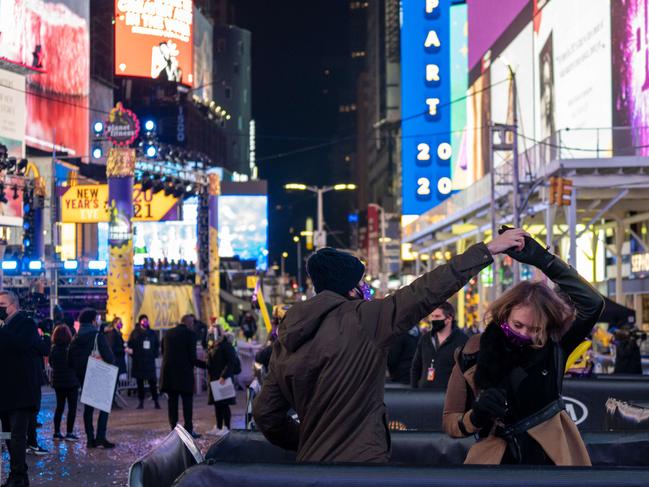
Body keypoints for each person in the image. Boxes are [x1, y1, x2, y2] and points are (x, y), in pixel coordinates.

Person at [253, 229, 526, 463]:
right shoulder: (365, 319)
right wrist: (488, 249)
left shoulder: (288, 338)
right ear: (351, 290)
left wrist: (308, 439)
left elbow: (265, 414)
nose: (369, 293)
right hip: (361, 464)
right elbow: (426, 291)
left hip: (310, 465)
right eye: (365, 287)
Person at [442, 231, 605, 465]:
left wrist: (544, 260)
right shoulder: (470, 353)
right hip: (495, 462)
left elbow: (593, 303)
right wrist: (476, 416)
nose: (524, 334)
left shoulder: (555, 343)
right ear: (503, 314)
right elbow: (450, 421)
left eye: (535, 329)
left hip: (553, 458)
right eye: (518, 325)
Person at [0, 291, 41, 487]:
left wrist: (2, 329)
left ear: (13, 306)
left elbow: (21, 345)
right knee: (8, 436)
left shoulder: (26, 324)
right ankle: (18, 474)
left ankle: (18, 476)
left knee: (17, 436)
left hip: (21, 393)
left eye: (2, 304)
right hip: (5, 393)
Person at [68, 308, 116, 449]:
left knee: (88, 409)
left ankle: (90, 439)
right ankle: (100, 437)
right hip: (98, 374)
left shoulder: (75, 338)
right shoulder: (97, 336)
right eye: (98, 319)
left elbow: (69, 360)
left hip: (83, 377)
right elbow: (109, 357)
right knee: (104, 408)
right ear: (93, 321)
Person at [160, 314, 204, 438]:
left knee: (172, 403)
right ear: (189, 323)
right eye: (193, 323)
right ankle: (188, 429)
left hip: (169, 375)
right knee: (187, 403)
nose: (194, 325)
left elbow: (163, 352)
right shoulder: (190, 335)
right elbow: (192, 358)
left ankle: (173, 429)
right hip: (184, 374)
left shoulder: (167, 334)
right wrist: (207, 366)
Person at [410, 302, 468, 390]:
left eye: (437, 316)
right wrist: (414, 390)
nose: (433, 320)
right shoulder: (425, 339)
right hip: (424, 394)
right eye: (432, 316)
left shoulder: (462, 340)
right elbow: (416, 366)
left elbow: (466, 370)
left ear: (449, 318)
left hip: (448, 395)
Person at [206, 325, 239, 436]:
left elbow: (231, 362)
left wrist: (224, 376)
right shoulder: (214, 345)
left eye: (214, 332)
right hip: (215, 378)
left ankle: (226, 427)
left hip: (223, 379)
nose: (212, 335)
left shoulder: (226, 345)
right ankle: (219, 426)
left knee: (224, 404)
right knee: (218, 404)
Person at [26, 318, 52, 456]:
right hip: (33, 379)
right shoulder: (32, 336)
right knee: (32, 411)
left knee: (23, 414)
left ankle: (25, 442)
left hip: (22, 379)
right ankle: (32, 443)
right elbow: (45, 349)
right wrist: (47, 334)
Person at [50, 325, 80, 441]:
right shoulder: (70, 348)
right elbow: (74, 364)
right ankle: (69, 432)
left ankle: (57, 432)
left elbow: (52, 365)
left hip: (58, 382)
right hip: (71, 381)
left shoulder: (53, 349)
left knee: (59, 407)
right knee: (72, 408)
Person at [128, 315, 160, 409]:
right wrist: (134, 355)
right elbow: (131, 345)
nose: (145, 322)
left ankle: (156, 401)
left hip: (149, 361)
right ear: (140, 321)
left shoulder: (152, 333)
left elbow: (156, 345)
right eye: (143, 320)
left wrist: (154, 355)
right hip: (139, 362)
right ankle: (141, 402)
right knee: (140, 383)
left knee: (153, 383)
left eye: (146, 320)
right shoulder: (135, 333)